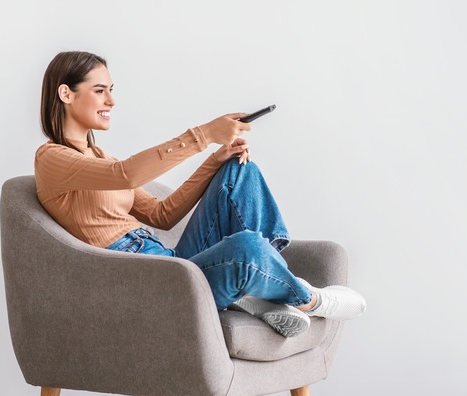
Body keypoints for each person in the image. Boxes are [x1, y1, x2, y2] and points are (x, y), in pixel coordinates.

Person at [34, 51, 366, 337]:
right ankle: (311, 299)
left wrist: (215, 160)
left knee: (239, 170)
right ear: (66, 93)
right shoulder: (52, 159)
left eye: (111, 90)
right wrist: (203, 134)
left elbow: (163, 215)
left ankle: (261, 291)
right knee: (246, 246)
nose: (111, 101)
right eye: (100, 90)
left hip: (170, 263)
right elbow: (127, 174)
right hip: (147, 281)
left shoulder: (102, 158)